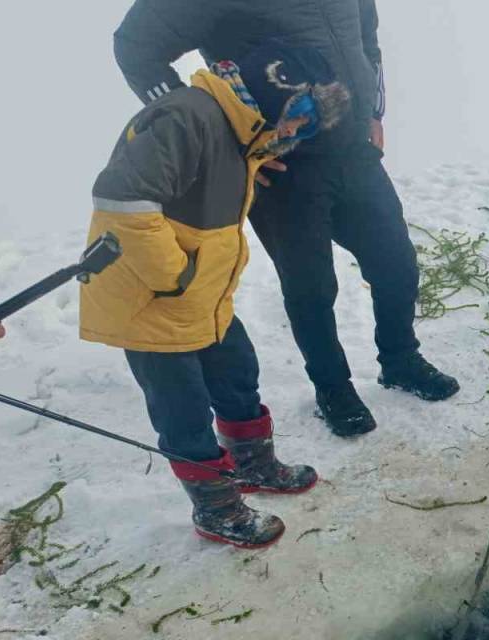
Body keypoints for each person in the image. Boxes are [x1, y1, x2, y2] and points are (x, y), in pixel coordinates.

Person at [113, 0, 459, 438]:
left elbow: (365, 34)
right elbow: (135, 47)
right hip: (283, 170)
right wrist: (221, 137)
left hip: (354, 153)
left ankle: (401, 360)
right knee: (311, 288)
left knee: (396, 265)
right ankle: (332, 388)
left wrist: (373, 110)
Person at [79, 44, 350, 548]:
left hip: (200, 290)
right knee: (181, 407)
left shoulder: (239, 127)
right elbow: (121, 195)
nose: (295, 131)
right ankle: (215, 507)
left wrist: (193, 279)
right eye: (301, 115)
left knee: (236, 370)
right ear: (276, 90)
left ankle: (252, 464)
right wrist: (175, 276)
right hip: (152, 297)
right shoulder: (189, 115)